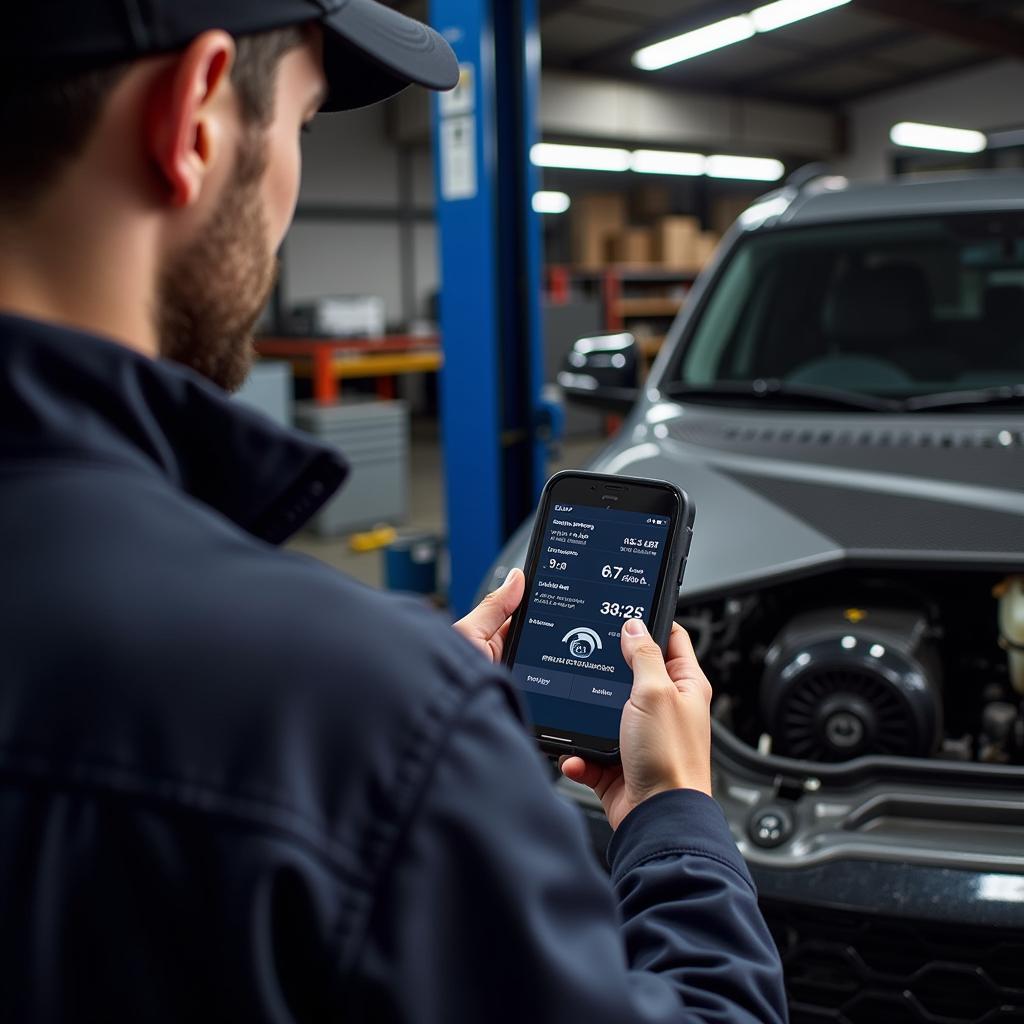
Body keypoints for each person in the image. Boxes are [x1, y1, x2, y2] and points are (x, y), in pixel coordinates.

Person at [0, 2, 787, 1022]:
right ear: (194, 118)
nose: (290, 185)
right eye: (303, 125)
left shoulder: (361, 713)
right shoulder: (350, 722)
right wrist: (673, 815)